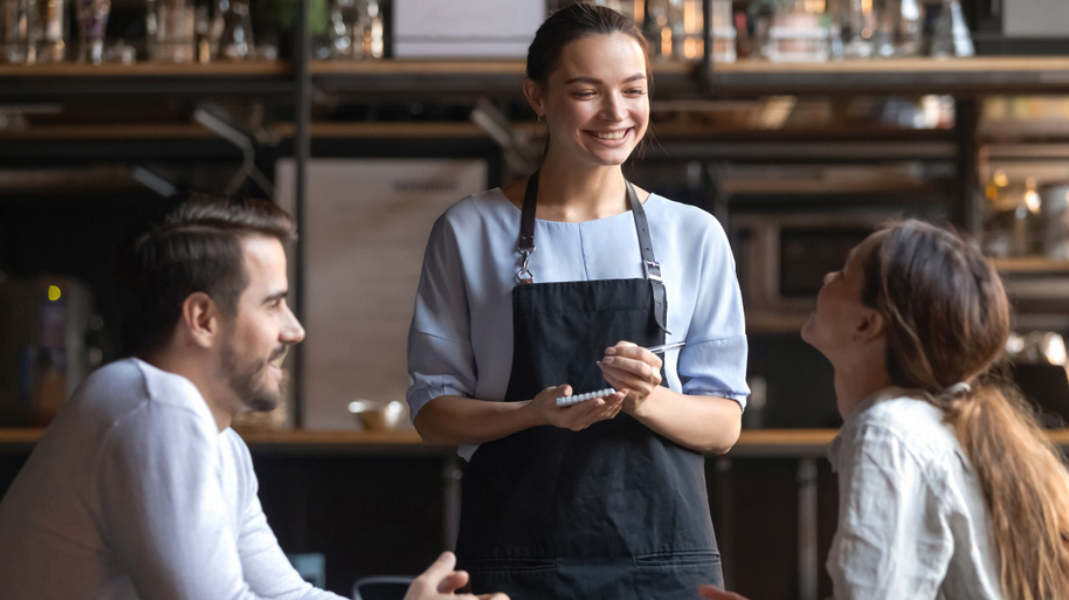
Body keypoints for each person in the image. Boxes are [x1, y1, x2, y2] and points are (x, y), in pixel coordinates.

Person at [0, 193, 506, 600]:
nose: (295, 329)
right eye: (274, 304)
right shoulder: (155, 405)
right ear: (202, 318)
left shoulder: (219, 443)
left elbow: (285, 594)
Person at [407, 5, 748, 599]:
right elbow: (433, 412)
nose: (616, 114)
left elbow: (723, 423)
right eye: (587, 92)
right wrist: (531, 413)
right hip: (516, 557)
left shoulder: (692, 234)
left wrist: (646, 398)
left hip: (662, 562)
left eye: (633, 90)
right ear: (537, 97)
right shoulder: (469, 230)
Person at [700, 220, 1069, 600]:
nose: (826, 279)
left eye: (843, 274)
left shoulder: (887, 431)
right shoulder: (932, 424)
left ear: (867, 325)